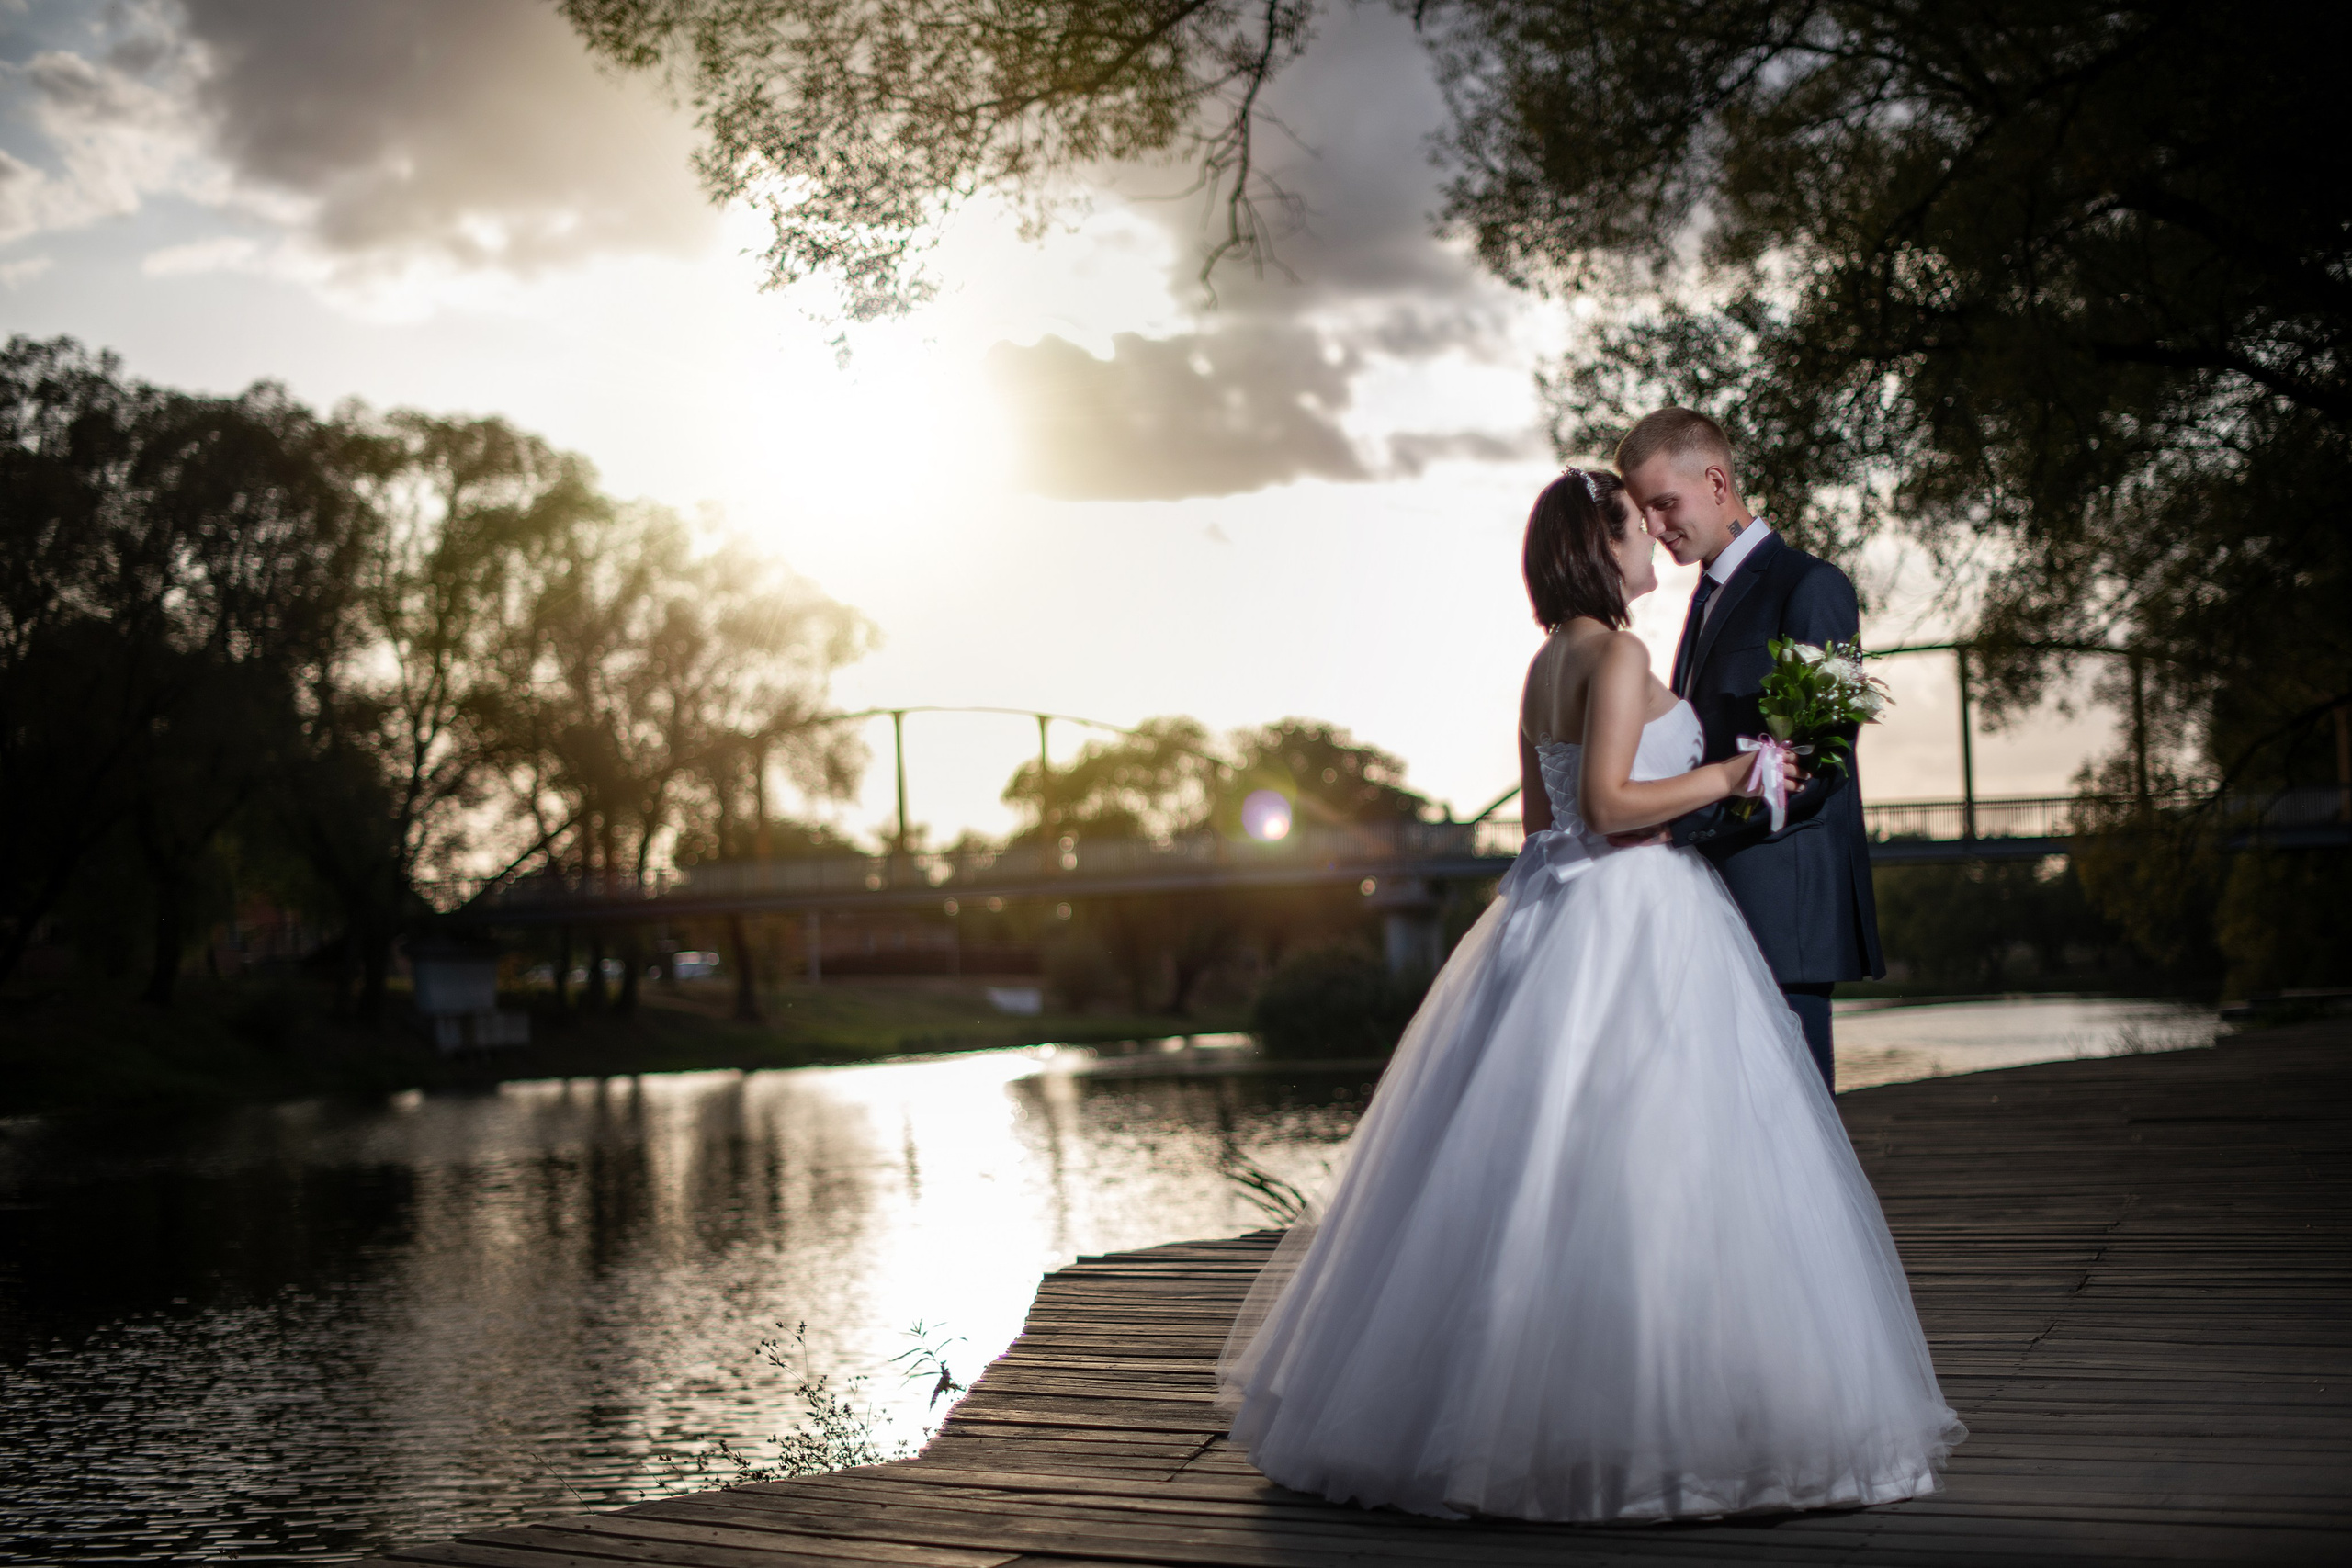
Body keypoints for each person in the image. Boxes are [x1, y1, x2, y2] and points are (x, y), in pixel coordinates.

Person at [1216, 466, 1962, 1525]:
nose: (1655, 538)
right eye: (1635, 523)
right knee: (1655, 1163)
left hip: (1551, 911)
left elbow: (1541, 822)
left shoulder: (1541, 665)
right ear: (1601, 545)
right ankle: (1659, 1432)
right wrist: (1731, 776)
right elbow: (1612, 806)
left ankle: (1467, 1413)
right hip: (1637, 910)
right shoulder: (1616, 651)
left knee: (1539, 1169)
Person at [1616, 407, 1883, 1089]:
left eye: (1664, 503)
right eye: (1645, 512)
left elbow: (1820, 765)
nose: (1654, 527)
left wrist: (1678, 826)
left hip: (1781, 912)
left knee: (1800, 1143)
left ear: (1715, 480)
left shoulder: (1810, 586)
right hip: (1712, 911)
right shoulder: (1705, 599)